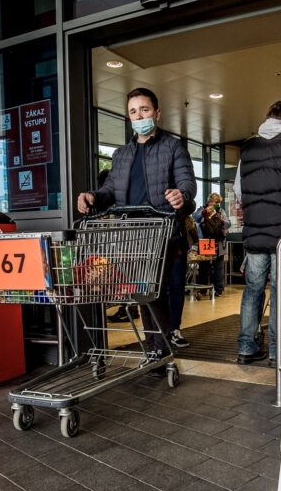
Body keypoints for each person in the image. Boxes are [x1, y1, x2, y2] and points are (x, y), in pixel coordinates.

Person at [77, 87, 196, 360]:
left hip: (163, 231)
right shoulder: (121, 155)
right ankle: (156, 349)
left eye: (144, 109)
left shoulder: (172, 147)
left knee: (155, 291)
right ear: (128, 117)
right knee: (142, 292)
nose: (139, 115)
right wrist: (92, 197)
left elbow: (187, 182)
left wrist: (182, 194)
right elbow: (109, 192)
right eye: (133, 111)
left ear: (156, 113)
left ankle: (161, 350)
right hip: (133, 234)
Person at [234, 100, 281, 365]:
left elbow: (238, 191)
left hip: (255, 235)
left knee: (253, 290)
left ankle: (246, 348)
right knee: (280, 292)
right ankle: (277, 351)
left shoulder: (248, 147)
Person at [97, 167, 138, 323]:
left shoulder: (112, 203)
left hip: (119, 247)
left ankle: (128, 307)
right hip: (123, 247)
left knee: (123, 277)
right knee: (126, 278)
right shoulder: (123, 199)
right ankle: (129, 307)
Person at [192, 193, 230, 297]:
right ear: (209, 202)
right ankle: (202, 289)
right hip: (206, 242)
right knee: (204, 266)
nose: (215, 205)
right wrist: (204, 212)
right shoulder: (202, 209)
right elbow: (195, 217)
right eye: (214, 202)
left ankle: (219, 290)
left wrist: (220, 219)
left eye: (217, 203)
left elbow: (228, 224)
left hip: (219, 242)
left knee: (219, 267)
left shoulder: (221, 211)